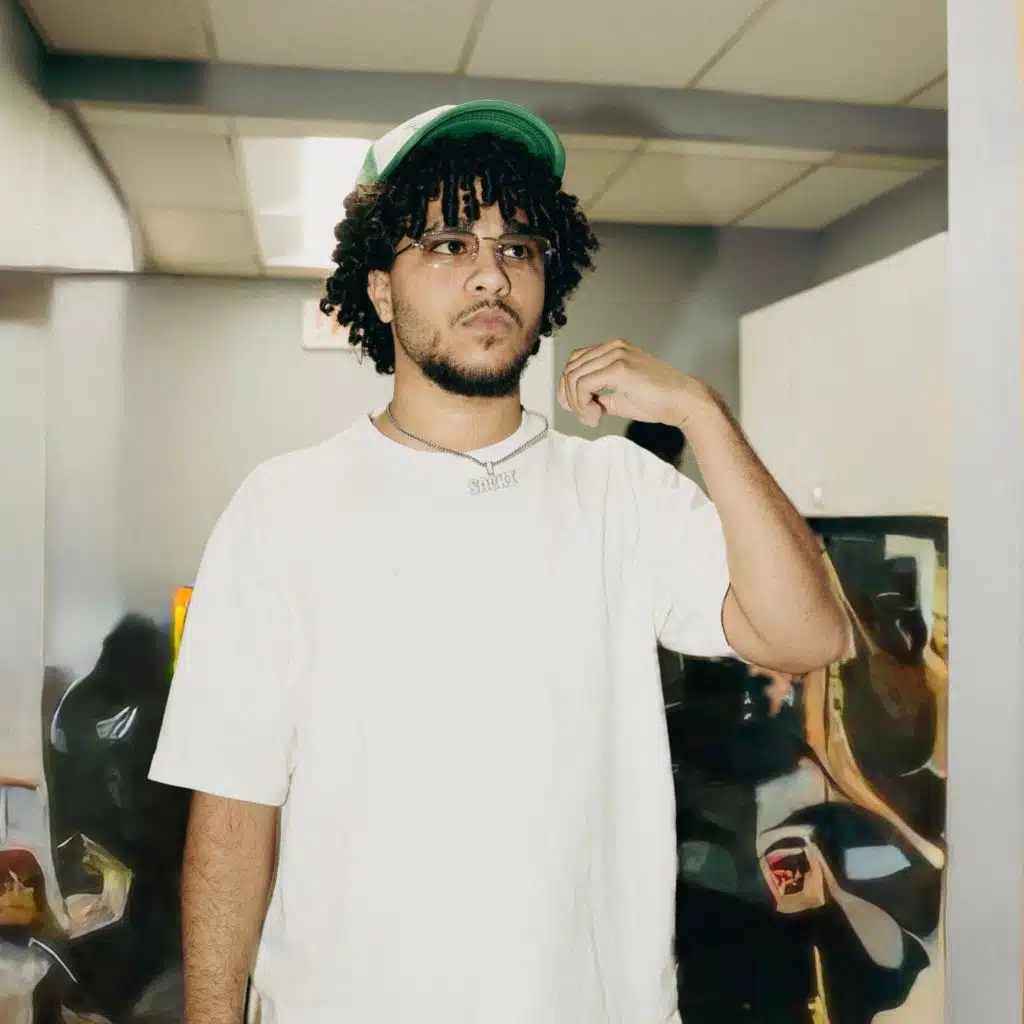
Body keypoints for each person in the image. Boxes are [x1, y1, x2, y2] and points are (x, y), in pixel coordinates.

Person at [149, 100, 848, 1024]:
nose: (490, 273)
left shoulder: (620, 494)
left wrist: (702, 414)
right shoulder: (282, 510)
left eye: (517, 246)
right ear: (381, 290)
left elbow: (809, 634)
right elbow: (233, 814)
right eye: (447, 244)